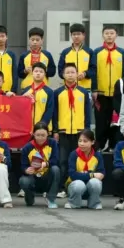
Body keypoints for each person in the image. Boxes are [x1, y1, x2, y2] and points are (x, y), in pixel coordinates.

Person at [50, 63, 93, 196]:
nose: (70, 75)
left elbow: (87, 113)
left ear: (77, 74)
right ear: (63, 75)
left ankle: (75, 186)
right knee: (62, 161)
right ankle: (62, 188)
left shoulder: (84, 92)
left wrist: (86, 132)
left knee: (77, 160)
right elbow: (54, 113)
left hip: (80, 132)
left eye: (73, 72)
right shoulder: (57, 93)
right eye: (67, 72)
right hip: (63, 132)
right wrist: (55, 131)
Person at [91, 25, 124, 152]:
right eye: (106, 33)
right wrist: (94, 89)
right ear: (103, 35)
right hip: (101, 94)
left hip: (117, 94)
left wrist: (123, 91)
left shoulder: (121, 52)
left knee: (115, 122)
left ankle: (113, 146)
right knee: (101, 121)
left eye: (112, 33)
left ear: (116, 35)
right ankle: (99, 146)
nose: (109, 35)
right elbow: (94, 72)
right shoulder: (97, 52)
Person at [19, 122, 61, 208]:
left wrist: (46, 164)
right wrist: (26, 170)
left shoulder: (53, 143)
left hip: (47, 175)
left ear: (48, 134)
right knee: (23, 181)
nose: (40, 138)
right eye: (38, 135)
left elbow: (55, 159)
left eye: (43, 135)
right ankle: (30, 196)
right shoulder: (27, 147)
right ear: (33, 134)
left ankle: (51, 199)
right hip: (33, 177)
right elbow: (23, 165)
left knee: (56, 169)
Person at [65, 129, 104, 209]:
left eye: (85, 141)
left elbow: (101, 173)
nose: (82, 144)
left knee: (96, 182)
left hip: (90, 187)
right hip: (75, 187)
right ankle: (74, 203)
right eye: (80, 141)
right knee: (78, 184)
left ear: (92, 142)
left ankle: (94, 204)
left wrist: (98, 175)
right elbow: (73, 175)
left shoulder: (97, 155)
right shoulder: (73, 154)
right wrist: (91, 175)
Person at [18, 27, 56, 91]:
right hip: (26, 88)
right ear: (29, 40)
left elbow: (53, 72)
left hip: (43, 88)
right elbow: (19, 74)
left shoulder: (47, 55)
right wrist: (25, 71)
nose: (35, 42)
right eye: (32, 40)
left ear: (42, 40)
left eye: (37, 40)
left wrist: (44, 70)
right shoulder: (24, 55)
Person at [57, 23, 93, 90]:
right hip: (68, 88)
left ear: (83, 35)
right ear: (71, 35)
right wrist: (67, 76)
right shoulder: (65, 52)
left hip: (85, 88)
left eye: (78, 34)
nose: (76, 36)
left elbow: (93, 69)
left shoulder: (89, 52)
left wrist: (85, 74)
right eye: (74, 34)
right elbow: (60, 70)